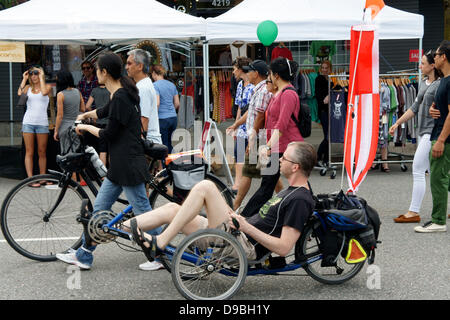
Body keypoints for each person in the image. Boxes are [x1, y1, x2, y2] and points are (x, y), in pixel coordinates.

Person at [123, 141, 316, 266]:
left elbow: (283, 248)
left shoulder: (299, 199)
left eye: (284, 158)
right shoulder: (291, 190)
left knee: (206, 186)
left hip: (245, 245)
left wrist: (246, 226)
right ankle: (115, 229)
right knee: (174, 208)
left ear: (296, 166)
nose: (280, 159)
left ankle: (161, 242)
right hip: (238, 232)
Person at [55, 52, 162, 270]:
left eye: (97, 70)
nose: (95, 74)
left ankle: (162, 254)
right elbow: (103, 111)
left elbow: (108, 134)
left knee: (144, 213)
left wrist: (84, 127)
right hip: (121, 165)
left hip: (129, 165)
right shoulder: (119, 93)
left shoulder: (121, 95)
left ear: (105, 72)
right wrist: (85, 116)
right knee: (100, 210)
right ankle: (84, 255)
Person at [240, 57, 303, 218]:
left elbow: (281, 125)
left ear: (275, 75)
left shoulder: (288, 94)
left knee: (275, 187)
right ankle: (251, 219)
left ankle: (245, 220)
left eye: (270, 74)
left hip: (287, 147)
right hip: (279, 147)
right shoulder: (278, 93)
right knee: (269, 187)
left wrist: (267, 147)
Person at [389, 51, 442, 223]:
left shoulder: (441, 84)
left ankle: (414, 211)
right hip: (423, 133)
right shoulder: (423, 83)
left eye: (423, 63)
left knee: (418, 169)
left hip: (433, 133)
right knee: (440, 172)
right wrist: (397, 123)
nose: (419, 66)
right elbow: (414, 107)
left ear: (433, 65)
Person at [415, 40, 450, 233]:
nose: (434, 57)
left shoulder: (449, 80)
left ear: (443, 57)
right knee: (444, 177)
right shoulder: (443, 80)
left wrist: (441, 140)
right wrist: (432, 108)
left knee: (438, 178)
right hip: (440, 134)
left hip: (443, 137)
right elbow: (440, 107)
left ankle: (438, 221)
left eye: (436, 55)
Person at [18, 66, 52, 187]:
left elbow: (43, 92)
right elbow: (19, 93)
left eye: (36, 73)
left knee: (42, 152)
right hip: (28, 122)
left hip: (42, 123)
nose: (33, 76)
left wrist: (42, 76)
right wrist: (24, 78)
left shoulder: (47, 87)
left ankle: (42, 177)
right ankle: (30, 179)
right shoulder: (27, 88)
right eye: (31, 74)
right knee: (29, 152)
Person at [226, 57, 255, 193]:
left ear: (241, 69)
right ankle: (237, 184)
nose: (233, 72)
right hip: (242, 124)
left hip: (252, 123)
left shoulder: (253, 86)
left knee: (254, 156)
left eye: (234, 69)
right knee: (239, 153)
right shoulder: (239, 85)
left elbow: (252, 109)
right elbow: (239, 107)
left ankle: (241, 184)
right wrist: (236, 125)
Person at [126, 49, 162, 144]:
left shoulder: (143, 88)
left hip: (148, 143)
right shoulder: (143, 84)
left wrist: (136, 145)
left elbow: (144, 119)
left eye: (129, 64)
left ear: (140, 66)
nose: (126, 67)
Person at [54, 70, 86, 153]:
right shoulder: (77, 91)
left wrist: (56, 130)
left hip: (65, 128)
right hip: (77, 126)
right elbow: (83, 109)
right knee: (77, 153)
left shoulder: (60, 94)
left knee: (66, 154)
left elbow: (60, 115)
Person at [151, 65, 180, 153]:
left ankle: (164, 165)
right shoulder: (172, 85)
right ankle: (171, 163)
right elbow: (177, 103)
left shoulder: (154, 85)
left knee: (163, 144)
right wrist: (170, 111)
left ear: (154, 73)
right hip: (173, 118)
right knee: (170, 143)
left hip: (162, 119)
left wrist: (153, 116)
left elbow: (157, 103)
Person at [85, 84, 110, 165]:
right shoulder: (110, 90)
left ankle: (103, 175)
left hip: (99, 124)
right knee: (111, 149)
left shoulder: (95, 91)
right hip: (110, 123)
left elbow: (87, 106)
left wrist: (95, 115)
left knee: (102, 150)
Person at [315, 60, 332, 167]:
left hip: (333, 112)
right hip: (323, 111)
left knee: (329, 136)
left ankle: (326, 159)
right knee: (328, 136)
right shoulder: (319, 79)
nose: (324, 70)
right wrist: (327, 97)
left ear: (330, 69)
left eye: (326, 68)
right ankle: (317, 157)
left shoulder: (333, 79)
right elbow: (320, 97)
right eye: (323, 68)